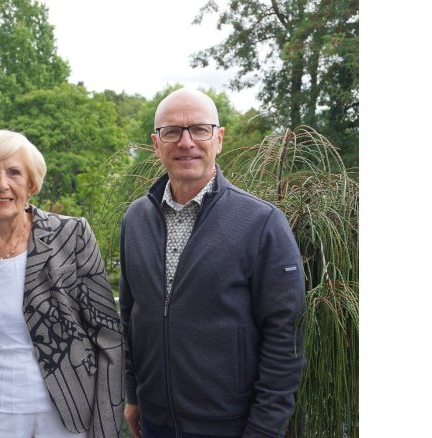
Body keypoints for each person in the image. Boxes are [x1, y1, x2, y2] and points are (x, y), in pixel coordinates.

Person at [119, 89, 305, 438]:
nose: (186, 142)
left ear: (218, 139)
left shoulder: (261, 223)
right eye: (171, 131)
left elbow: (285, 339)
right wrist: (134, 395)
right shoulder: (136, 220)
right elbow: (131, 314)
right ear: (156, 144)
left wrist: (263, 430)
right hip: (155, 422)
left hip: (230, 425)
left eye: (199, 129)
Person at [0, 130, 124, 438]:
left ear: (31, 184)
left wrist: (106, 423)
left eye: (14, 172)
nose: (2, 184)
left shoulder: (71, 236)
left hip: (68, 409)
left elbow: (109, 336)